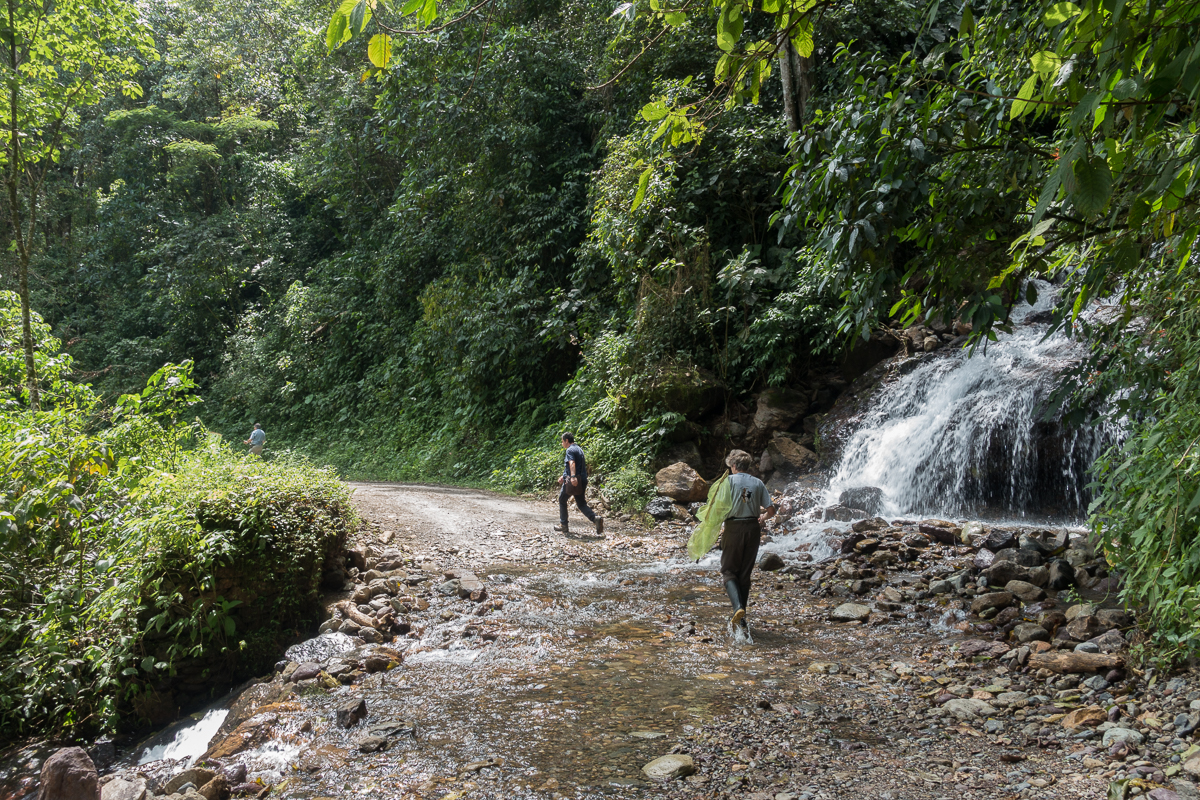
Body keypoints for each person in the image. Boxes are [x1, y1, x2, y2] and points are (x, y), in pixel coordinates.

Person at [720, 449, 775, 631]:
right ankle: (742, 619)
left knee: (729, 571)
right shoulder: (758, 483)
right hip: (753, 529)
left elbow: (716, 510)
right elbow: (771, 511)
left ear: (734, 466)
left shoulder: (727, 482)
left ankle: (738, 608)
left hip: (733, 528)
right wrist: (762, 519)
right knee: (744, 574)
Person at [553, 432, 603, 536]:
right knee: (581, 504)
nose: (562, 444)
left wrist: (572, 477)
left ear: (567, 440)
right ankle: (595, 518)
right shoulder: (579, 449)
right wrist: (564, 475)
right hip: (582, 479)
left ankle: (564, 525)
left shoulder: (570, 450)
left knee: (562, 499)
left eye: (562, 441)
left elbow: (572, 463)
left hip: (574, 480)